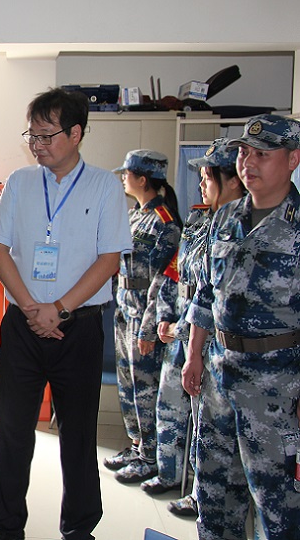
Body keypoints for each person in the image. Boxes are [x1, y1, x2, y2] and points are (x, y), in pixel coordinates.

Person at [0, 88, 131, 540]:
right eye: (32, 135)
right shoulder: (20, 182)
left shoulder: (105, 186)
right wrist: (33, 309)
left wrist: (59, 310)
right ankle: (6, 529)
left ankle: (79, 529)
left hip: (79, 329)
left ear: (76, 133)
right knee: (11, 433)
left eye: (46, 135)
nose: (37, 144)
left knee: (78, 436)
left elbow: (109, 259)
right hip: (24, 328)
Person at [182, 114, 300, 539]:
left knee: (278, 506)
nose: (248, 163)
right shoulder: (226, 216)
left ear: (292, 159)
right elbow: (206, 292)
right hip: (219, 375)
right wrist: (194, 354)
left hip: (277, 388)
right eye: (244, 153)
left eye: (262, 154)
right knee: (214, 497)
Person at [148, 139, 246, 514]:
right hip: (188, 329)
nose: (202, 184)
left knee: (210, 422)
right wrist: (168, 318)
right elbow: (179, 275)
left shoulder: (247, 228)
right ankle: (185, 482)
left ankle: (204, 493)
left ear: (233, 180)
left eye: (208, 177)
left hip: (219, 340)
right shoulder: (200, 221)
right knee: (181, 410)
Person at [106, 150, 182, 485]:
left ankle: (151, 456)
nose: (123, 179)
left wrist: (149, 328)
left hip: (144, 317)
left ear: (142, 178)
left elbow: (165, 283)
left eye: (127, 174)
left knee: (145, 387)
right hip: (125, 310)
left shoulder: (165, 222)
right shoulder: (135, 216)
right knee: (128, 384)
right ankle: (137, 445)